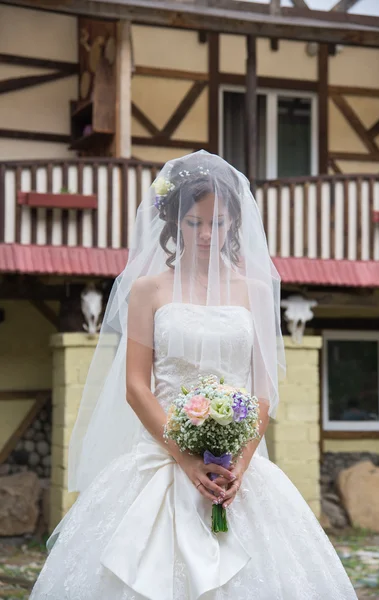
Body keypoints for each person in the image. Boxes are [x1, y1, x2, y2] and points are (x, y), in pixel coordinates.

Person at [29, 150, 357, 599]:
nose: (206, 235)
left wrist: (239, 463)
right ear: (173, 223)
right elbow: (136, 386)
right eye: (194, 223)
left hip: (237, 467)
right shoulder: (147, 291)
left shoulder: (256, 293)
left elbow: (263, 390)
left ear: (234, 225)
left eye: (218, 224)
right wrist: (184, 458)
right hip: (161, 460)